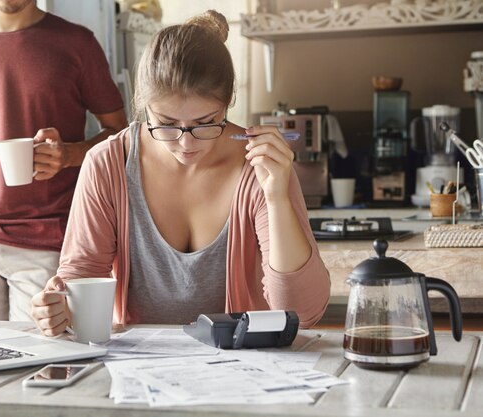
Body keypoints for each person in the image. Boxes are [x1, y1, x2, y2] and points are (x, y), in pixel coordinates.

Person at [31, 10, 330, 334]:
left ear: (229, 101)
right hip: (141, 370)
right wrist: (59, 308)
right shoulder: (107, 164)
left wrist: (276, 198)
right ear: (143, 104)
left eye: (204, 123)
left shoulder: (261, 167)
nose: (185, 143)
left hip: (246, 371)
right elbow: (80, 283)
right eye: (167, 123)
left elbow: (302, 312)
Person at [0, 0, 128, 321]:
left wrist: (69, 155)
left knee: (39, 362)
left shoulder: (77, 43)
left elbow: (120, 135)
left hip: (45, 243)